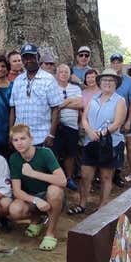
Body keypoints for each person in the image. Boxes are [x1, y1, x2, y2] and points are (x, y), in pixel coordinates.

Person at [68, 68, 127, 215]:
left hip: (109, 143)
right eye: (105, 80)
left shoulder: (119, 101)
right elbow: (84, 118)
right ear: (100, 82)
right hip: (90, 142)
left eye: (111, 80)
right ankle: (82, 204)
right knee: (85, 175)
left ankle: (102, 207)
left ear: (115, 83)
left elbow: (117, 123)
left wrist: (102, 133)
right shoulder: (94, 98)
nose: (107, 83)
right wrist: (88, 130)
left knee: (106, 176)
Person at [7, 123, 66, 251]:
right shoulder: (14, 158)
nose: (19, 143)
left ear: (31, 139)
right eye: (15, 140)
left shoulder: (45, 153)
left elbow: (62, 181)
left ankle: (50, 232)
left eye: (23, 138)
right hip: (32, 199)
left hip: (50, 196)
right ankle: (36, 220)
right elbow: (17, 191)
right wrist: (35, 200)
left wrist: (33, 173)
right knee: (15, 210)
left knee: (54, 190)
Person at [9, 43, 62, 148]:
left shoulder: (49, 79)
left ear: (38, 57)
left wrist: (51, 135)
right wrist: (11, 134)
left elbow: (56, 109)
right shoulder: (18, 80)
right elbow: (13, 108)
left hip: (42, 136)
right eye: (25, 58)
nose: (28, 60)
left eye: (32, 57)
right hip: (20, 138)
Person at [109, 53, 131, 187]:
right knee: (106, 145)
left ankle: (117, 174)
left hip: (121, 121)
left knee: (120, 147)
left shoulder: (129, 81)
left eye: (118, 62)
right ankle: (103, 174)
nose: (116, 64)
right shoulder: (106, 78)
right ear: (111, 64)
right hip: (106, 120)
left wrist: (128, 121)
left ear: (122, 63)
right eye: (113, 62)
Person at [54, 63, 84, 192]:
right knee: (55, 153)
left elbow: (81, 104)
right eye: (61, 72)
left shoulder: (75, 88)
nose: (64, 74)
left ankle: (69, 178)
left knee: (70, 153)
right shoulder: (52, 87)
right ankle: (55, 179)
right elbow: (52, 105)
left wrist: (63, 104)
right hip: (57, 125)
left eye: (66, 72)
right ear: (56, 74)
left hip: (72, 126)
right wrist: (70, 102)